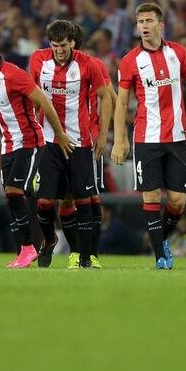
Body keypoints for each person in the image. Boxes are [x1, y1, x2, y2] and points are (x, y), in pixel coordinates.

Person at [112, 3, 186, 269]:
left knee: (178, 201)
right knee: (151, 197)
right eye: (140, 22)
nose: (144, 26)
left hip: (178, 136)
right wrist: (120, 139)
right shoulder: (130, 60)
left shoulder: (178, 53)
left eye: (149, 20)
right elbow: (121, 103)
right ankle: (160, 256)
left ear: (161, 25)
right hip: (146, 138)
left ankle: (161, 239)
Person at [0, 32, 73, 268]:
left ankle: (29, 248)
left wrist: (59, 133)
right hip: (8, 145)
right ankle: (42, 240)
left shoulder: (13, 75)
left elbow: (43, 101)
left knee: (16, 191)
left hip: (30, 141)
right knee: (17, 196)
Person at [29, 20, 112, 269]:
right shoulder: (38, 60)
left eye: (63, 45)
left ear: (72, 42)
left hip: (80, 142)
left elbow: (106, 97)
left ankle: (84, 256)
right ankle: (50, 238)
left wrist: (103, 135)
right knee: (44, 201)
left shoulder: (89, 64)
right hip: (49, 141)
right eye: (54, 45)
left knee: (82, 199)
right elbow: (31, 94)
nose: (59, 50)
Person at [70, 21, 117, 267]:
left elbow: (110, 98)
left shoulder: (93, 65)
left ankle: (90, 254)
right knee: (74, 198)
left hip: (88, 138)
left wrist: (109, 134)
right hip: (64, 140)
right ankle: (81, 253)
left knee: (89, 197)